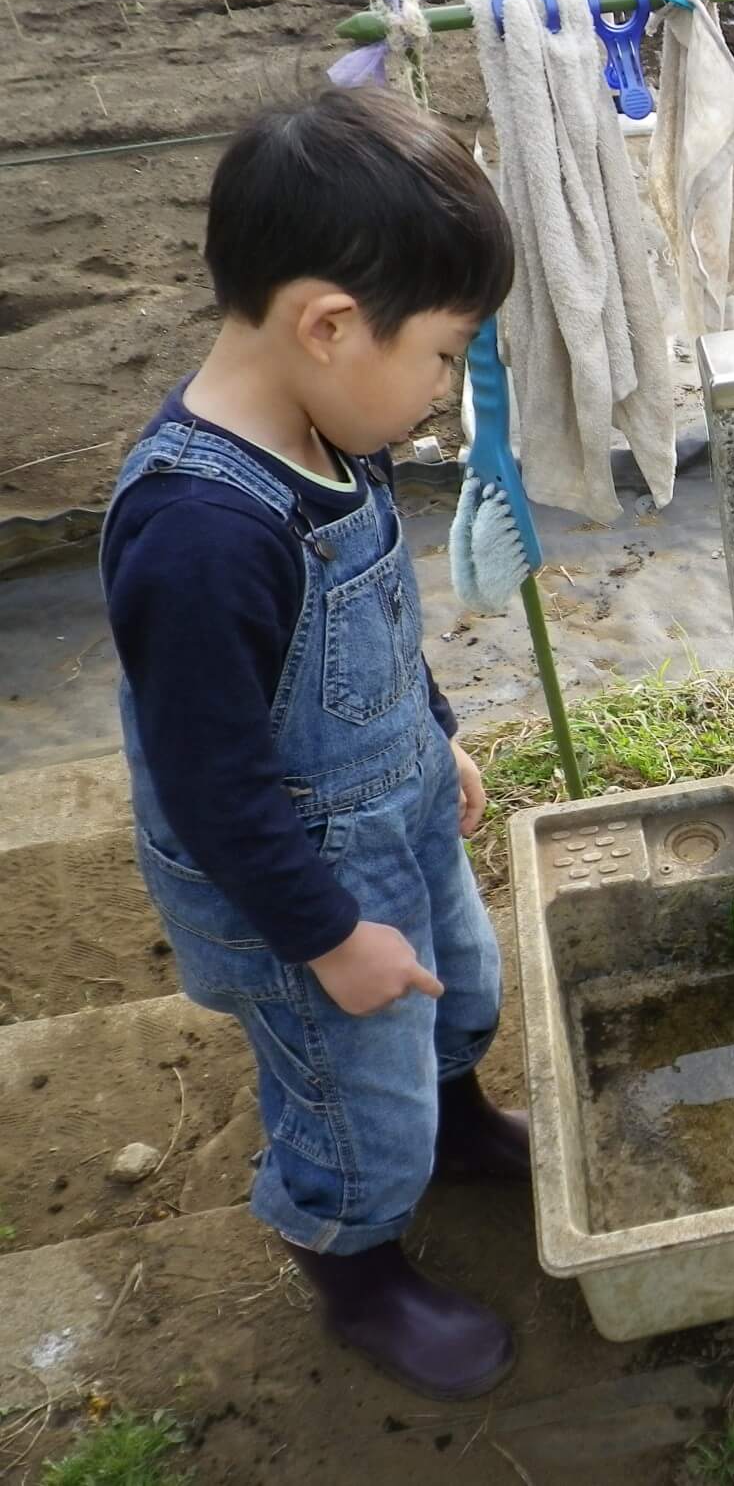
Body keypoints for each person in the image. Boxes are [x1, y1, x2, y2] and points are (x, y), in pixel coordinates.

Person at [100, 87, 523, 1401]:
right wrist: (330, 941)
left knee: (462, 983)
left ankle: (453, 1132)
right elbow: (215, 787)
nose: (448, 391)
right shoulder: (201, 537)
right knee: (353, 1094)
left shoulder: (334, 431)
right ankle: (356, 1261)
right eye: (446, 356)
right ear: (332, 326)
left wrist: (435, 734)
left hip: (392, 810)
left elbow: (376, 634)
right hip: (290, 894)